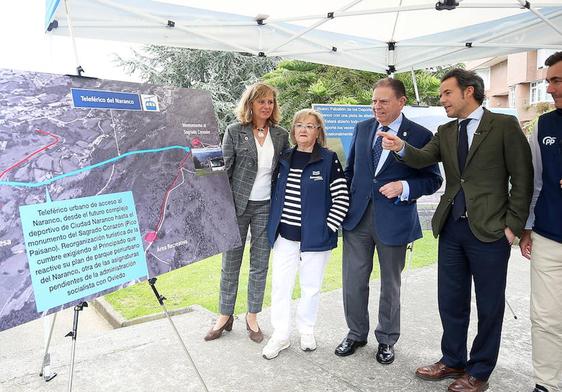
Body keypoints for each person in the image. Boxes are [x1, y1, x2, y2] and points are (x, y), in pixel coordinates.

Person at [380, 68, 533, 392]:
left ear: (469, 92)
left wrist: (513, 227)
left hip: (491, 231)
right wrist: (400, 147)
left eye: (447, 92)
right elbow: (422, 159)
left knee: (490, 306)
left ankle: (479, 372)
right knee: (450, 300)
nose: (442, 98)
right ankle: (452, 360)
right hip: (452, 228)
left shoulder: (504, 126)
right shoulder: (447, 130)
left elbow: (522, 178)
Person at [334, 78, 442, 364]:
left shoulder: (420, 135)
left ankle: (387, 339)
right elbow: (352, 171)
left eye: (383, 101)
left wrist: (403, 187)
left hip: (395, 218)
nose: (376, 106)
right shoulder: (363, 128)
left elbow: (433, 179)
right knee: (353, 281)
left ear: (401, 102)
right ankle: (356, 333)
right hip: (357, 219)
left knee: (390, 284)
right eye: (373, 101)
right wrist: (341, 202)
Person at [204, 83, 289, 343]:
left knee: (259, 264)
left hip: (266, 206)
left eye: (270, 102)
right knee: (230, 263)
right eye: (261, 101)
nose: (266, 106)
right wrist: (219, 207)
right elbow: (223, 171)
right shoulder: (234, 131)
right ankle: (224, 315)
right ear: (250, 104)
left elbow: (283, 173)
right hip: (237, 206)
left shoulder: (281, 135)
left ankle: (252, 316)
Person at [261, 109, 349, 359]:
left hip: (315, 238)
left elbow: (342, 197)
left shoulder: (328, 158)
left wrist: (328, 227)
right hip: (284, 237)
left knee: (310, 287)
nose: (303, 129)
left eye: (310, 126)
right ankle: (280, 335)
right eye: (299, 124)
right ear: (293, 130)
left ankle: (307, 330)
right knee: (280, 286)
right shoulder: (285, 157)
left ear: (318, 131)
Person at [519, 51, 562, 392]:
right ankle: (546, 384)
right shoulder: (544, 125)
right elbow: (535, 181)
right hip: (548, 235)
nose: (549, 88)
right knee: (545, 317)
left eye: (556, 80)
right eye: (548, 81)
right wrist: (527, 227)